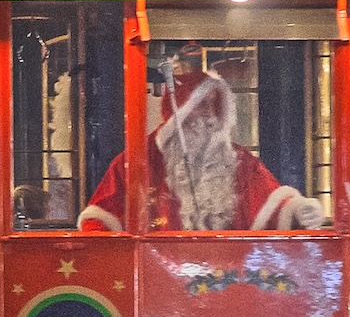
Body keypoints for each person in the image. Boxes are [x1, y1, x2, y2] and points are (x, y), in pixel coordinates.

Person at [78, 61, 323, 234]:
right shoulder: (136, 162)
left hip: (229, 279)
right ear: (180, 111)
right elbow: (101, 218)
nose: (207, 112)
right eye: (199, 104)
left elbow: (269, 199)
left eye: (213, 104)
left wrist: (299, 209)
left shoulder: (237, 160)